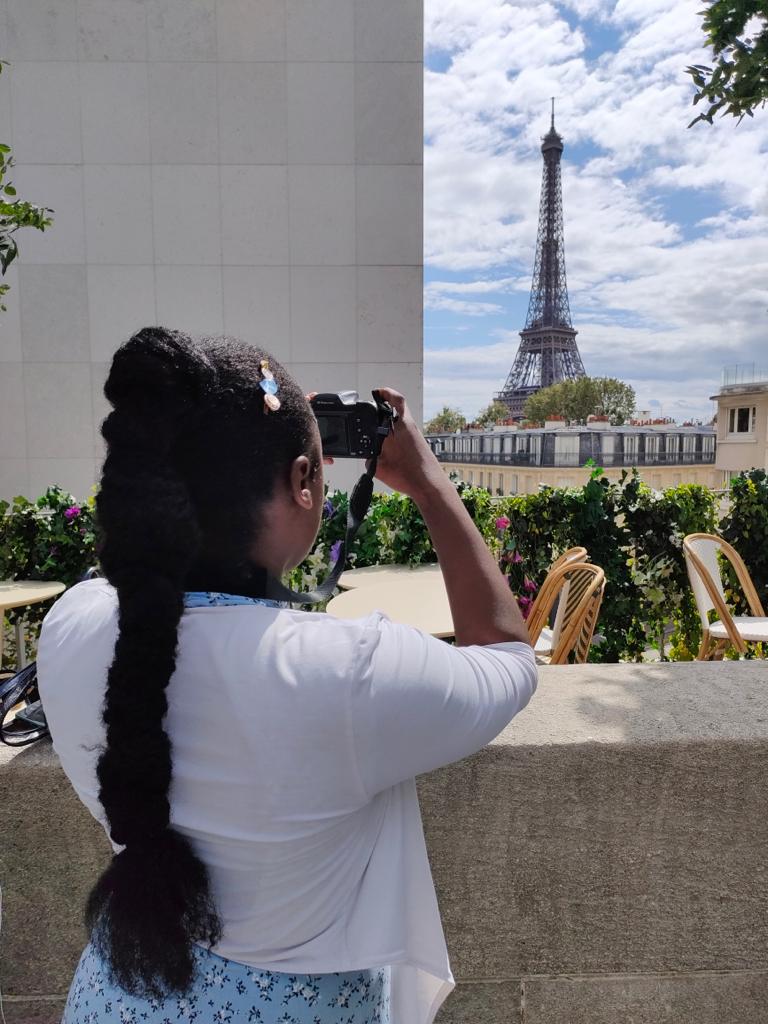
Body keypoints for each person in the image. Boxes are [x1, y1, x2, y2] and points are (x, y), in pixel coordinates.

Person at [37, 328, 536, 1024]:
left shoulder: (69, 627)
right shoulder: (347, 673)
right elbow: (509, 656)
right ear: (303, 481)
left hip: (116, 998)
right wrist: (425, 480)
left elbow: (135, 589)